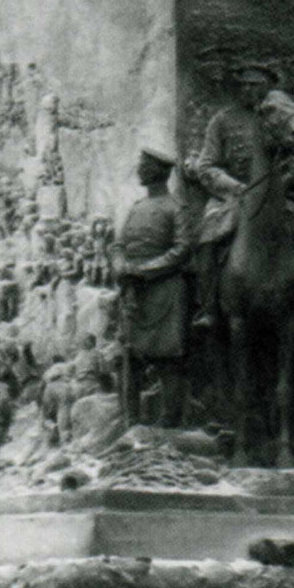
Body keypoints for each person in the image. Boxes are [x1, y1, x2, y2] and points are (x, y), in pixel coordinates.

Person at [111, 150, 193, 428]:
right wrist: (121, 266)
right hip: (134, 293)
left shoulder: (175, 208)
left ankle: (169, 423)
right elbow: (119, 245)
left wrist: (142, 271)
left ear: (161, 171)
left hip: (164, 292)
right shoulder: (136, 207)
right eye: (141, 164)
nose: (140, 169)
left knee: (168, 358)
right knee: (131, 357)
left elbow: (181, 250)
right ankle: (130, 422)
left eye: (146, 166)